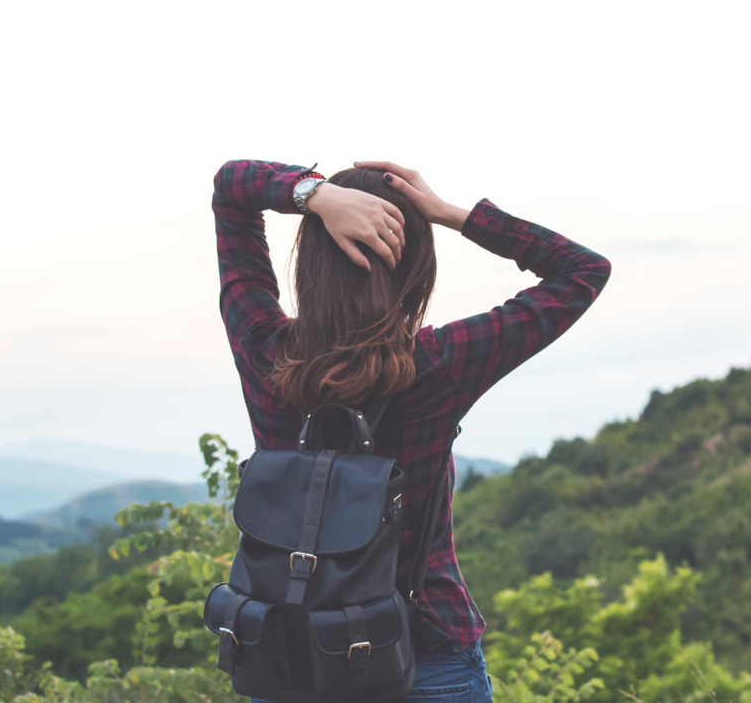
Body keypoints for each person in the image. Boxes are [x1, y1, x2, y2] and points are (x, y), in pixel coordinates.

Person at [212, 158, 611, 702]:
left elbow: (231, 189)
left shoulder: (265, 352)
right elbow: (581, 271)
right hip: (424, 658)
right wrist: (450, 214)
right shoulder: (439, 364)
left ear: (308, 262)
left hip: (291, 665)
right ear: (416, 267)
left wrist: (315, 195)